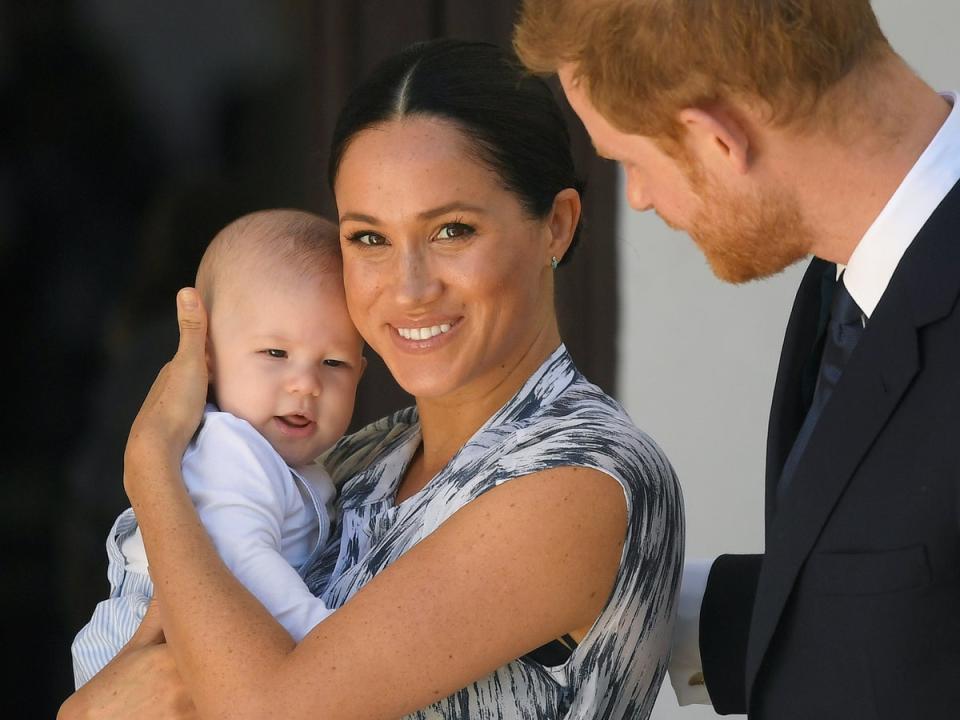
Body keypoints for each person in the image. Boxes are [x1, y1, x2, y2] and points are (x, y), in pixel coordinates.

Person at [57, 39, 683, 720]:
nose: (408, 288)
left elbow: (268, 710)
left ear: (555, 227)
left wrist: (152, 466)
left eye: (451, 230)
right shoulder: (356, 459)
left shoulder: (580, 478)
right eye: (369, 239)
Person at [515, 1, 960, 718]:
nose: (643, 199)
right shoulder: (851, 272)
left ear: (716, 139)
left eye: (631, 162)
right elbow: (915, 601)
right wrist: (630, 595)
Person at [71, 209, 366, 686]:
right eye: (276, 353)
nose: (307, 384)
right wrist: (323, 639)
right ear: (206, 358)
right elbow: (243, 560)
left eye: (334, 363)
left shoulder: (297, 463)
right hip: (150, 649)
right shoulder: (231, 450)